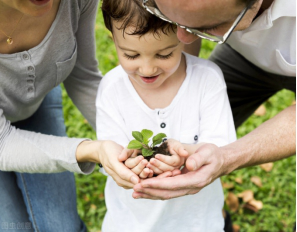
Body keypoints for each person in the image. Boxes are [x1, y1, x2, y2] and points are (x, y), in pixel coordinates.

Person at [129, 0, 296, 200]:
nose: (182, 37)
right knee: (191, 133)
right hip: (242, 55)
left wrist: (226, 157)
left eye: (208, 27)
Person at [0, 0, 141, 231]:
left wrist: (133, 145)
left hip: (35, 104)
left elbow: (83, 76)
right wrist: (92, 150)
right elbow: (2, 143)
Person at [96, 0, 236, 231]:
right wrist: (133, 164)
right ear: (114, 40)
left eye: (164, 54)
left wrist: (184, 155)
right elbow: (110, 158)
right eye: (131, 55)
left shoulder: (207, 80)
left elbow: (221, 149)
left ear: (184, 36)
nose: (147, 69)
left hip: (197, 222)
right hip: (132, 223)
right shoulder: (112, 88)